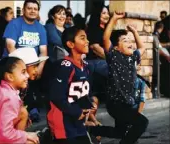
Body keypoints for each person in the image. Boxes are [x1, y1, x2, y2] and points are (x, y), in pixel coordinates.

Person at [101, 11, 149, 144]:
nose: (130, 43)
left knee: (120, 132)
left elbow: (142, 47)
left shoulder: (133, 57)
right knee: (142, 122)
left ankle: (92, 130)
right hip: (116, 104)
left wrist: (134, 32)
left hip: (127, 103)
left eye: (130, 41)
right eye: (125, 40)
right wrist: (114, 18)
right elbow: (105, 39)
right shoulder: (114, 56)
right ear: (116, 47)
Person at [0, 57, 39, 143]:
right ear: (10, 77)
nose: (27, 75)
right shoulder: (10, 97)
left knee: (23, 112)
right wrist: (26, 135)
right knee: (32, 141)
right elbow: (6, 134)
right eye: (23, 72)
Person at [47, 26, 93, 144]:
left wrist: (90, 105)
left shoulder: (86, 66)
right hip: (63, 123)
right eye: (82, 38)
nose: (87, 41)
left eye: (87, 38)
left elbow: (85, 92)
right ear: (71, 44)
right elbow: (56, 96)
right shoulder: (65, 66)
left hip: (79, 121)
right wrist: (76, 112)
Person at [3, 0, 47, 79]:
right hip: (13, 65)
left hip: (32, 67)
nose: (32, 11)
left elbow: (43, 51)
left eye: (35, 9)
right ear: (23, 10)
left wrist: (40, 68)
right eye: (29, 8)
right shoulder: (14, 24)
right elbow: (10, 47)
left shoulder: (41, 28)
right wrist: (23, 68)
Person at [9, 48, 49, 122]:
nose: (37, 70)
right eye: (34, 67)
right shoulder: (9, 90)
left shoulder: (25, 85)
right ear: (23, 68)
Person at [86, 5, 110, 102]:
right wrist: (112, 58)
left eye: (107, 13)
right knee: (115, 68)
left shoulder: (106, 30)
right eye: (103, 13)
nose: (107, 15)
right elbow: (95, 47)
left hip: (102, 61)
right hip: (93, 61)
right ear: (97, 15)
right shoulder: (94, 28)